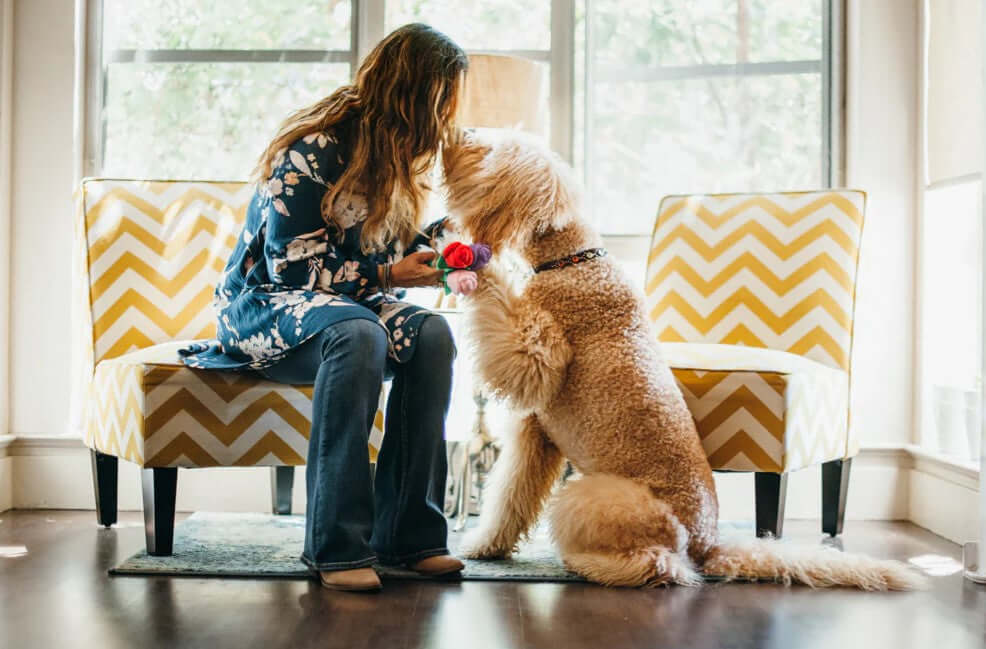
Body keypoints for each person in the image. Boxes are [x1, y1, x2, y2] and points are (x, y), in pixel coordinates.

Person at [181, 23, 468, 591]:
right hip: (262, 309)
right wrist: (388, 274)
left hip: (346, 308)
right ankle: (335, 547)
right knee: (358, 333)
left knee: (431, 335)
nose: (450, 116)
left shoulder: (395, 160)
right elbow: (293, 268)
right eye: (445, 100)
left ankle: (409, 537)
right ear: (416, 94)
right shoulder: (310, 150)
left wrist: (441, 248)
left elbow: (385, 244)